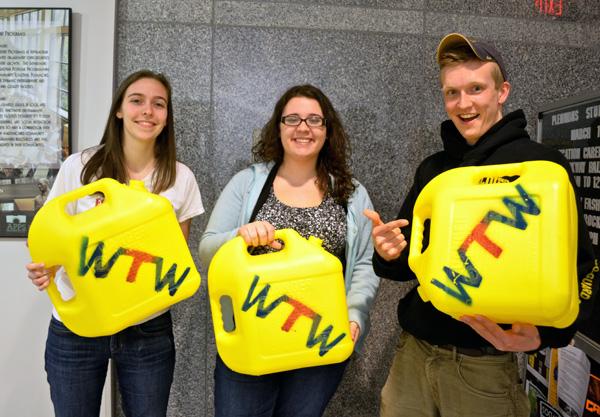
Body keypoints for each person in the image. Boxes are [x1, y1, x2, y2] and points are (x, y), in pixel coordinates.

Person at [365, 33, 597, 417]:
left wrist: (546, 335)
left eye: (476, 89)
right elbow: (407, 262)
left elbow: (584, 268)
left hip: (484, 368)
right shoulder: (434, 169)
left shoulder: (542, 167)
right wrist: (388, 252)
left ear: (502, 91)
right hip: (412, 357)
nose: (463, 103)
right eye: (452, 93)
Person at [25, 70, 204, 417]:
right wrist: (46, 267)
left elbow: (175, 262)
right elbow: (50, 237)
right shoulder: (80, 167)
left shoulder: (181, 178)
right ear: (119, 110)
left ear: (167, 117)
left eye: (159, 104)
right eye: (136, 101)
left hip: (147, 328)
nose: (147, 111)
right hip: (76, 323)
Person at [199, 84, 379, 417]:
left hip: (318, 342)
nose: (303, 127)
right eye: (292, 118)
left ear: (328, 131)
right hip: (253, 340)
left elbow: (365, 264)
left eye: (314, 120)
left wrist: (355, 318)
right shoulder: (248, 183)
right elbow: (208, 249)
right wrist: (239, 236)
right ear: (278, 128)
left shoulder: (351, 194)